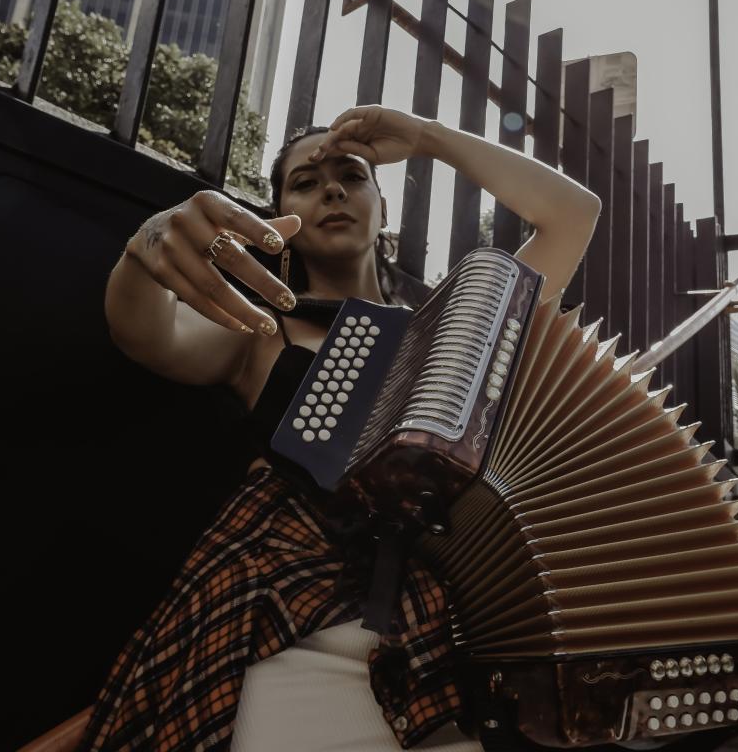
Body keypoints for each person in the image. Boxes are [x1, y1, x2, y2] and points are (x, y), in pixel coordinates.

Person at [62, 104, 599, 751]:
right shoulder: (260, 331)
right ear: (277, 221)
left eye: (351, 175)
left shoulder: (460, 327)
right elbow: (144, 331)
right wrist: (146, 248)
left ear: (382, 207)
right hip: (284, 604)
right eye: (305, 183)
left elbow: (572, 214)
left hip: (448, 619)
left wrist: (428, 137)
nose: (332, 190)